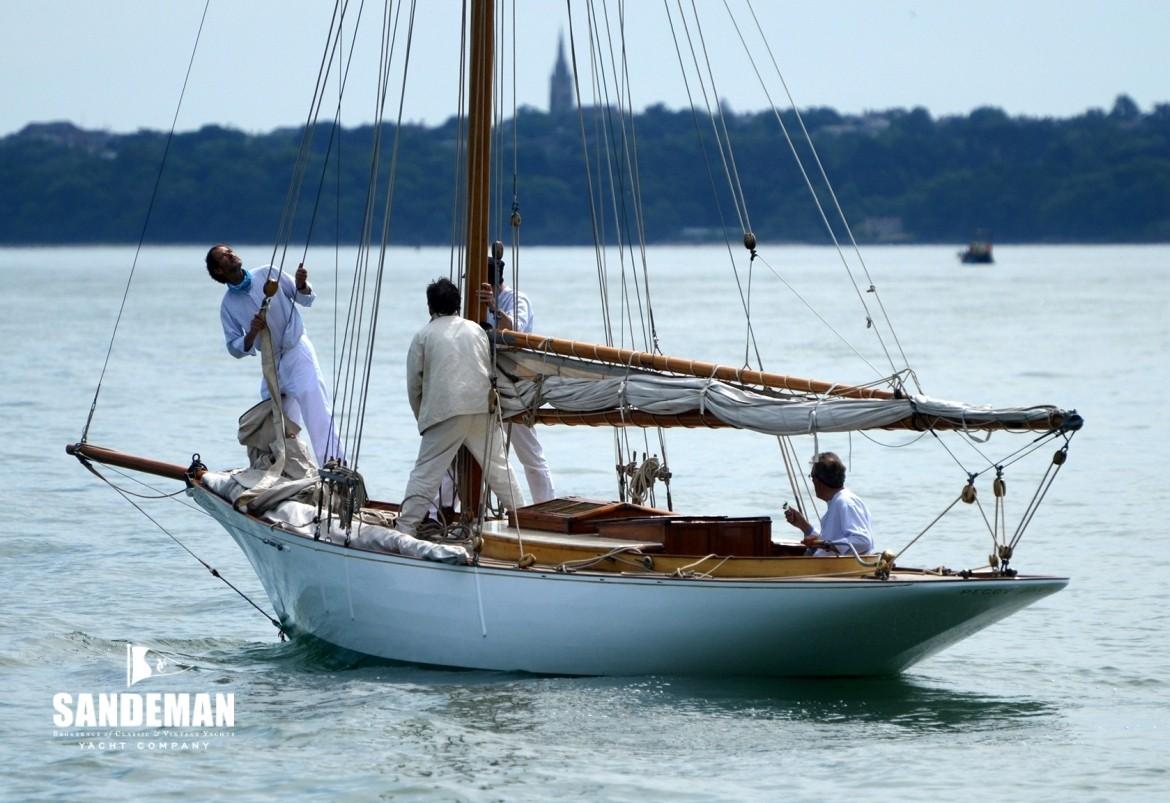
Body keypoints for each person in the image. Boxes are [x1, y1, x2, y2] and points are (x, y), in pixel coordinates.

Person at [397, 278, 526, 535]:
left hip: (445, 412)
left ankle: (404, 528)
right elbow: (488, 369)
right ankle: (524, 521)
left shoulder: (423, 336)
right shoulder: (475, 330)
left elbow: (414, 385)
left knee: (426, 473)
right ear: (458, 304)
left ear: (429, 306)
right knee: (500, 470)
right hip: (481, 408)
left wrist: (423, 418)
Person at [206, 244, 344, 467]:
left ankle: (336, 468)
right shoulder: (228, 305)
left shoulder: (268, 272)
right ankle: (288, 472)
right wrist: (252, 332)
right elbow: (234, 347)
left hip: (297, 351)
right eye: (224, 255)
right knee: (276, 423)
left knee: (316, 408)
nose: (231, 254)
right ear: (219, 270)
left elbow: (305, 298)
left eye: (230, 251)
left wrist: (301, 285)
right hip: (271, 361)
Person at [476, 257, 556, 503]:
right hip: (481, 382)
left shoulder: (516, 299)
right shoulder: (471, 303)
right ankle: (445, 512)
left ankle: (545, 507)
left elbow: (515, 331)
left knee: (529, 454)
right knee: (466, 450)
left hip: (513, 385)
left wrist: (492, 307)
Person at [783, 452, 874, 556]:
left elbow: (862, 542)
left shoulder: (845, 502)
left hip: (840, 570)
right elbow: (830, 544)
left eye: (812, 477)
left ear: (818, 480)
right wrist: (804, 526)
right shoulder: (838, 502)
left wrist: (824, 544)